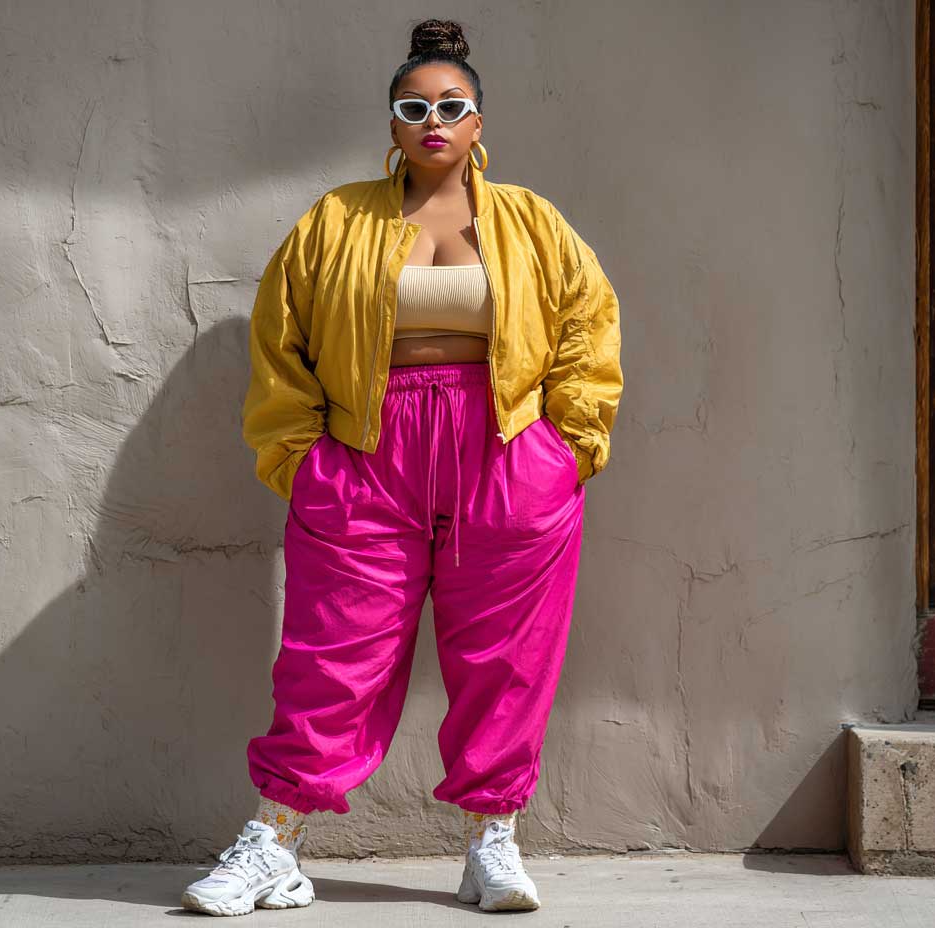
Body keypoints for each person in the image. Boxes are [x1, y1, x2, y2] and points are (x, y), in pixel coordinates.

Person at [182, 17, 622, 916]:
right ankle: (274, 842)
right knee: (330, 658)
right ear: (390, 122)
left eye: (451, 106)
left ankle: (490, 841)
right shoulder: (334, 221)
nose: (434, 120)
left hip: (504, 456)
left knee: (506, 660)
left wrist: (564, 452)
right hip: (367, 456)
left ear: (478, 121)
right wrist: (306, 462)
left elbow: (588, 329)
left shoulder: (533, 222)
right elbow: (282, 339)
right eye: (413, 106)